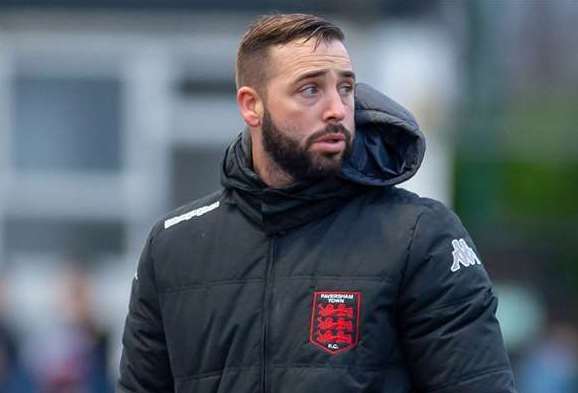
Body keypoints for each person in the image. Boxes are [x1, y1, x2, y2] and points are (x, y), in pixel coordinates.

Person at [118, 13, 516, 393]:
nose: (337, 109)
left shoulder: (419, 236)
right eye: (310, 89)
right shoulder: (174, 248)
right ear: (251, 105)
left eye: (345, 88)